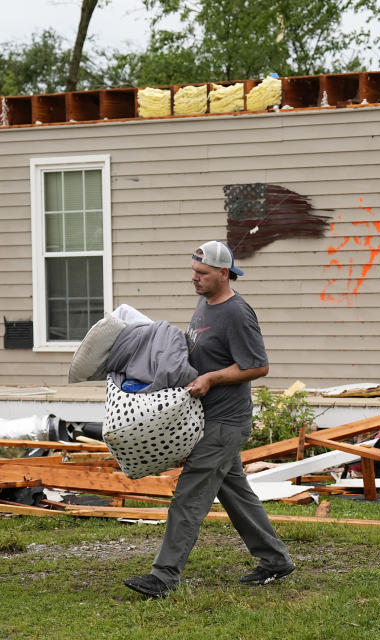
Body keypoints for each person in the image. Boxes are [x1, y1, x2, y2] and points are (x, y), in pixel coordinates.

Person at [124, 241, 294, 598]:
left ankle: (164, 576)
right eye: (193, 272)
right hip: (207, 418)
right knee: (236, 493)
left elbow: (258, 365)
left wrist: (212, 378)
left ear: (222, 273)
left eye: (201, 273)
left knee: (189, 497)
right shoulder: (205, 305)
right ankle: (275, 559)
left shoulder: (236, 312)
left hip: (224, 423)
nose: (195, 279)